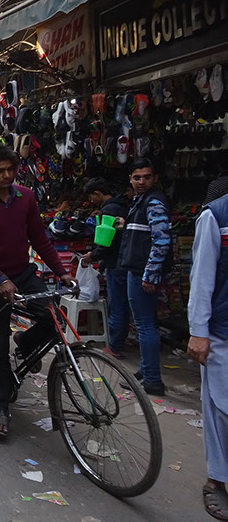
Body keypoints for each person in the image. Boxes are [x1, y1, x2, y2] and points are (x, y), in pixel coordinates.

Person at [0, 145, 75, 437]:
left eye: (10, 169)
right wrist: (0, 279)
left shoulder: (25, 197)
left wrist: (61, 272)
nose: (7, 175)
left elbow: (39, 238)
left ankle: (25, 341)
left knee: (54, 319)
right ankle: (0, 405)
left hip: (24, 274)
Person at [187, 193, 228, 521]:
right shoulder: (216, 216)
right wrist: (199, 331)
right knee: (219, 407)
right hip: (221, 330)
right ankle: (216, 479)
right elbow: (201, 277)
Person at [116, 158, 171, 396]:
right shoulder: (141, 201)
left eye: (146, 177)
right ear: (130, 179)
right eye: (137, 177)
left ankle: (152, 380)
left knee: (145, 325)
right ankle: (147, 370)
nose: (141, 182)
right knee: (144, 323)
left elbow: (162, 241)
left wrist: (150, 274)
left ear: (154, 178)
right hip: (138, 269)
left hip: (142, 272)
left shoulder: (154, 202)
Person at [80, 178, 130, 359]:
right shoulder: (123, 207)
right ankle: (120, 341)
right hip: (123, 260)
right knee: (123, 304)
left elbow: (108, 241)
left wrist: (93, 256)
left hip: (116, 263)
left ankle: (115, 347)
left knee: (117, 305)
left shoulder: (109, 210)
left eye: (91, 196)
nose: (91, 200)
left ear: (97, 193)